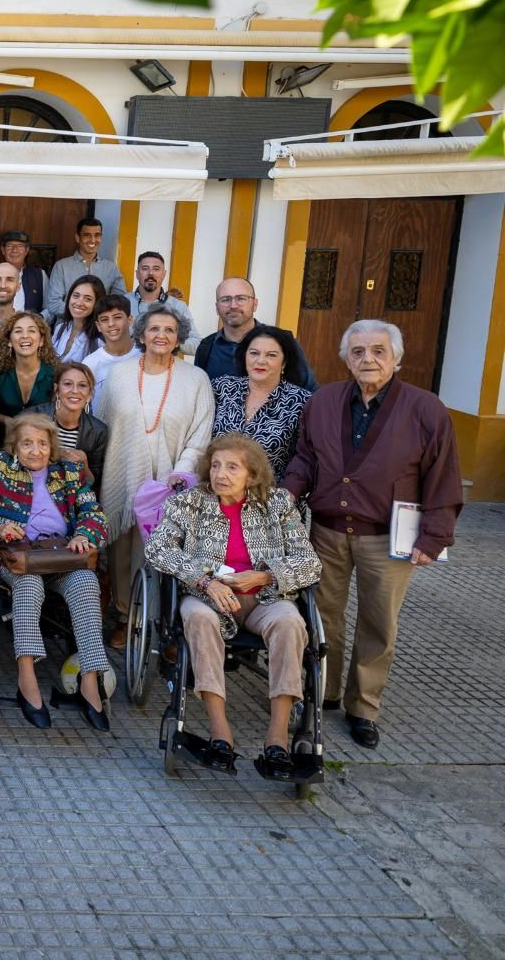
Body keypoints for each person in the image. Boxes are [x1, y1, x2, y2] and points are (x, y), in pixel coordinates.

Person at [282, 320, 462, 749]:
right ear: (346, 357)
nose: (369, 360)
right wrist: (287, 494)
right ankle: (321, 693)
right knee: (324, 618)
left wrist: (434, 537)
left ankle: (363, 706)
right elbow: (307, 457)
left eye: (379, 351)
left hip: (388, 537)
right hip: (326, 531)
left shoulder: (426, 408)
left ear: (397, 358)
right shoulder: (323, 401)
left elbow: (443, 476)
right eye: (359, 352)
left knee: (379, 623)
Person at [146, 434, 321, 774]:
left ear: (252, 475)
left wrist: (264, 577)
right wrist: (205, 580)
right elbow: (157, 549)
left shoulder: (279, 504)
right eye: (215, 466)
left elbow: (309, 562)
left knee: (290, 623)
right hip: (206, 598)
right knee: (198, 618)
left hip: (264, 599)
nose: (221, 474)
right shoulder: (189, 503)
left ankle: (278, 736)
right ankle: (219, 730)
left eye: (232, 467)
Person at [0, 412, 111, 731]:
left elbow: (93, 513)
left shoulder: (68, 470)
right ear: (14, 446)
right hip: (15, 560)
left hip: (62, 558)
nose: (36, 450)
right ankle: (26, 676)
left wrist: (85, 534)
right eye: (27, 443)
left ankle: (90, 680)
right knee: (29, 586)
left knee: (86, 582)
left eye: (42, 443)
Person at [97, 307, 214, 643]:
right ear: (142, 334)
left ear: (179, 337)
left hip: (172, 479)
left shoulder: (195, 379)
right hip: (123, 472)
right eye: (154, 329)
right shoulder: (119, 374)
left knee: (163, 549)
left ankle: (161, 622)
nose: (161, 335)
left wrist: (181, 471)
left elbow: (200, 433)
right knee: (121, 547)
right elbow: (104, 425)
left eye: (170, 330)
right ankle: (124, 614)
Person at [211, 325, 312, 480]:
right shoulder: (222, 388)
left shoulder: (301, 402)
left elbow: (305, 458)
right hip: (218, 489)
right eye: (254, 353)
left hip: (267, 495)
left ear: (284, 362)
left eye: (271, 355)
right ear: (244, 356)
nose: (260, 361)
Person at [195, 277, 317, 391]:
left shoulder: (281, 342)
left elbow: (310, 390)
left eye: (241, 298)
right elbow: (200, 393)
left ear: (255, 304)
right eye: (225, 299)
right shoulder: (206, 347)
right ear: (217, 307)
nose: (233, 305)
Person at [0, 311, 59, 451]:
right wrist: (6, 420)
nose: (25, 336)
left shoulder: (55, 374)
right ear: (9, 341)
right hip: (1, 442)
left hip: (40, 446)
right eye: (18, 331)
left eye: (32, 331)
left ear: (42, 340)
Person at [33, 361, 108, 488]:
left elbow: (93, 484)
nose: (75, 391)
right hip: (32, 491)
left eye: (82, 385)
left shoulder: (99, 431)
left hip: (71, 498)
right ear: (57, 390)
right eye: (68, 384)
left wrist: (84, 464)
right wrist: (55, 455)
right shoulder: (34, 417)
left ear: (89, 394)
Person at [46, 217, 126, 317]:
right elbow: (53, 304)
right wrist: (85, 313)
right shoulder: (62, 266)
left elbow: (120, 301)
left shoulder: (111, 268)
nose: (93, 240)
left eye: (97, 235)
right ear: (77, 238)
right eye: (87, 235)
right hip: (69, 327)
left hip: (100, 329)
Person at [127, 251, 198, 354]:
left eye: (156, 269)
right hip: (129, 366)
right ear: (137, 274)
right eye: (145, 268)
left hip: (166, 367)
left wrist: (170, 340)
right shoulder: (123, 303)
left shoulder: (177, 306)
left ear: (164, 274)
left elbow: (196, 344)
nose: (150, 273)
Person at [81, 293, 137, 398]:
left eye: (117, 317)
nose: (111, 324)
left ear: (129, 320)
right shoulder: (90, 364)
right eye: (104, 320)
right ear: (98, 326)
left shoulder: (144, 355)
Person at [0, 230, 45, 313]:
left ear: (26, 250)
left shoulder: (39, 274)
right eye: (10, 246)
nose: (14, 250)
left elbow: (49, 307)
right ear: (3, 250)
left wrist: (38, 320)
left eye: (19, 246)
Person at [47, 275, 105, 363]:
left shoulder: (99, 340)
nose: (79, 303)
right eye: (76, 296)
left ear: (97, 304)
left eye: (87, 299)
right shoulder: (60, 328)